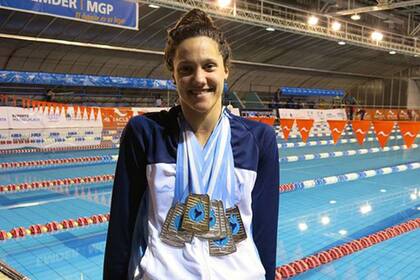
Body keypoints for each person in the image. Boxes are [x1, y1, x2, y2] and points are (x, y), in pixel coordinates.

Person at [104, 9, 279, 280]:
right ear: (173, 75)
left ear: (225, 70)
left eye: (209, 66)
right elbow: (121, 231)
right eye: (186, 69)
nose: (199, 79)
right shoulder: (145, 134)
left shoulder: (259, 140)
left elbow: (265, 235)